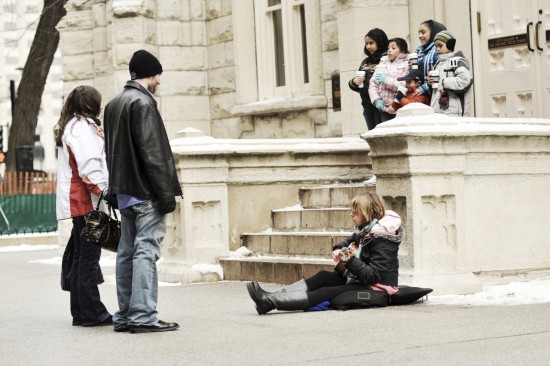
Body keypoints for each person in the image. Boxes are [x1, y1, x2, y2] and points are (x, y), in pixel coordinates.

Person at [103, 49, 182, 333]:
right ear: (150, 74)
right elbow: (154, 154)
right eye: (158, 75)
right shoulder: (143, 104)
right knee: (145, 252)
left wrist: (114, 189)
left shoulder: (113, 105)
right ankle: (143, 315)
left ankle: (125, 315)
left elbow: (110, 152)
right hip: (145, 192)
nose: (159, 81)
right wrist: (166, 194)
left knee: (127, 252)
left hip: (124, 192)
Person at [246, 192, 404, 315]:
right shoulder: (365, 231)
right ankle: (272, 296)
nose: (351, 215)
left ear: (366, 214)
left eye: (355, 212)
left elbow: (374, 275)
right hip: (360, 278)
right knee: (323, 276)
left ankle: (270, 302)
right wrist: (338, 250)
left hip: (378, 288)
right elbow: (346, 243)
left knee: (326, 292)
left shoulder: (383, 239)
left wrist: (349, 260)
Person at [55, 85, 112, 327]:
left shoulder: (74, 125)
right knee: (88, 257)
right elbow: (89, 166)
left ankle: (81, 312)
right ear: (90, 105)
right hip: (86, 200)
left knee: (81, 256)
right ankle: (92, 313)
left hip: (80, 199)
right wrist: (106, 192)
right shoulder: (81, 129)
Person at [348, 28, 388, 130]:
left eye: (371, 43)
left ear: (379, 42)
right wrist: (354, 82)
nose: (368, 46)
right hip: (367, 107)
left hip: (381, 106)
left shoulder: (387, 59)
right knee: (372, 138)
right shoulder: (365, 62)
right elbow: (359, 86)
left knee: (383, 137)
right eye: (366, 43)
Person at [428, 30, 473, 116]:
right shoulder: (437, 63)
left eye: (440, 45)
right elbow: (435, 91)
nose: (437, 49)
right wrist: (430, 84)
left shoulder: (459, 61)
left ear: (450, 45)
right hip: (437, 112)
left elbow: (465, 80)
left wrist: (445, 83)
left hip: (454, 114)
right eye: (436, 46)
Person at [368, 37, 409, 122]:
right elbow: (373, 84)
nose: (389, 50)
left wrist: (387, 80)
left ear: (402, 51)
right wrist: (376, 100)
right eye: (388, 48)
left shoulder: (407, 63)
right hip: (385, 109)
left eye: (393, 48)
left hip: (401, 108)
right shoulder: (383, 63)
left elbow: (406, 85)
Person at [412, 20, 447, 97]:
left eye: (423, 32)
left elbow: (441, 73)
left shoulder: (437, 50)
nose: (420, 36)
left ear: (433, 33)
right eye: (419, 33)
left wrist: (424, 87)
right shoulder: (419, 50)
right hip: (421, 94)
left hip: (436, 94)